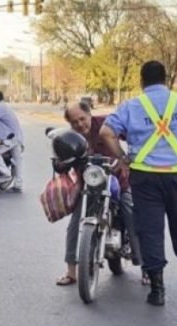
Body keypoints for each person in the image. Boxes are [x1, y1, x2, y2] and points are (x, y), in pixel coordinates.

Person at [100, 60, 177, 306]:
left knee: (149, 232)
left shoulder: (132, 105)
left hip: (145, 178)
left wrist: (122, 158)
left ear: (141, 81)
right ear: (166, 79)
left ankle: (157, 291)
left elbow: (106, 133)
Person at [56, 102, 143, 286]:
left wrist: (125, 158)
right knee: (74, 224)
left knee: (131, 212)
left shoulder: (107, 124)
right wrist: (60, 161)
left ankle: (145, 266)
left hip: (118, 181)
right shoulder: (72, 137)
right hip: (90, 186)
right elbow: (64, 160)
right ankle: (71, 271)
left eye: (82, 119)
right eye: (74, 122)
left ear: (89, 114)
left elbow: (134, 138)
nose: (80, 124)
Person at [0, 91, 24, 193]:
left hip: (10, 139)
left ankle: (6, 174)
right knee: (17, 162)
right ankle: (18, 185)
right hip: (16, 137)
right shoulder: (5, 106)